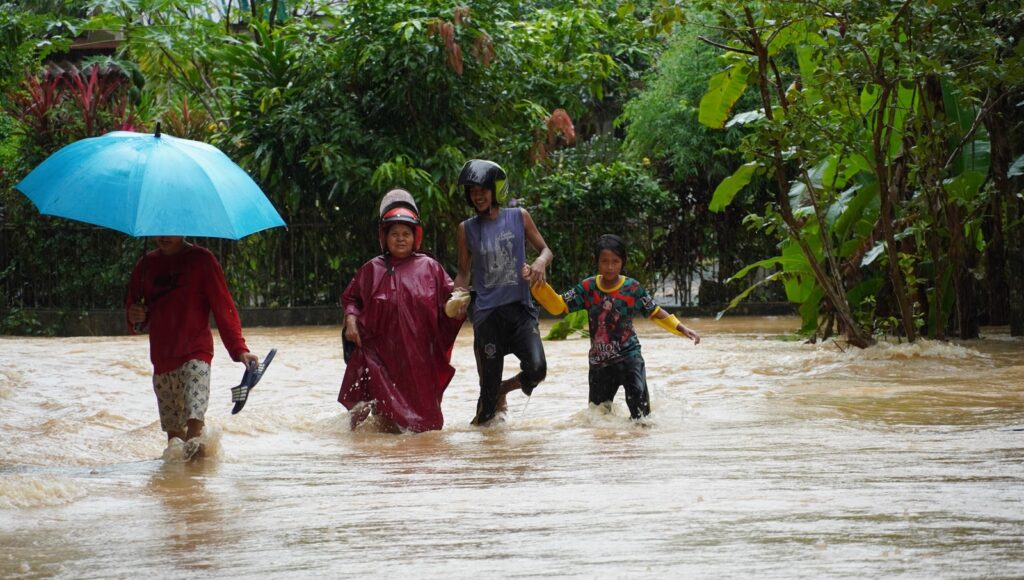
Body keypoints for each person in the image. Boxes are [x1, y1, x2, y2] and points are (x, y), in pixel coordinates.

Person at [531, 234, 700, 420]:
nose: (610, 267)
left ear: (623, 262)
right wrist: (538, 285)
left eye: (615, 261)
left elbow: (654, 311)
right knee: (598, 419)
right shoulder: (588, 288)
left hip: (630, 358)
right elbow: (559, 306)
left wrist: (680, 327)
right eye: (604, 261)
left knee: (642, 418)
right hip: (600, 364)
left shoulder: (632, 288)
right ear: (596, 261)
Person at [339, 189, 466, 432]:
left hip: (419, 355)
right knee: (379, 420)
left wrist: (459, 307)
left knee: (426, 426)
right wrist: (351, 320)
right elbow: (351, 298)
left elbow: (451, 303)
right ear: (384, 238)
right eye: (394, 234)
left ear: (415, 237)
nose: (400, 239)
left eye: (406, 234)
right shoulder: (372, 269)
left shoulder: (431, 268)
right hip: (380, 355)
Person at [126, 236, 259, 459]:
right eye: (159, 230)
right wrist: (134, 316)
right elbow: (135, 314)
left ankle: (197, 478)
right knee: (175, 439)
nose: (163, 236)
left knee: (194, 425)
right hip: (162, 359)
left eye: (170, 230)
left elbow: (223, 306)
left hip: (196, 355)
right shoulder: (145, 266)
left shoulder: (203, 261)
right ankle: (183, 479)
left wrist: (239, 349)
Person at [451, 159, 553, 426]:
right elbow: (463, 272)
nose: (478, 196)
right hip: (487, 316)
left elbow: (546, 250)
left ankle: (503, 389)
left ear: (496, 190)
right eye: (473, 191)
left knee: (537, 369)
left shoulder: (519, 216)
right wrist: (457, 294)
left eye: (483, 190)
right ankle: (484, 431)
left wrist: (539, 263)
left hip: (521, 310)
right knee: (486, 407)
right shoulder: (466, 229)